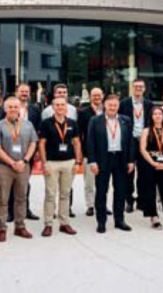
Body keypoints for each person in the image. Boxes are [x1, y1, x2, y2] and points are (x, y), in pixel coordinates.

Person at [0, 97, 38, 241]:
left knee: (21, 197)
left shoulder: (28, 125)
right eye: (10, 107)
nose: (13, 109)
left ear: (20, 109)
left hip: (23, 166)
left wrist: (25, 160)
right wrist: (12, 162)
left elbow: (33, 143)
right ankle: (2, 228)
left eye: (15, 107)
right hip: (5, 166)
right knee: (3, 198)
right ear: (5, 109)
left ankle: (20, 226)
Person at [86, 94, 135, 233]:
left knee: (120, 191)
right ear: (104, 105)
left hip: (121, 158)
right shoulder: (95, 120)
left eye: (115, 105)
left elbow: (131, 142)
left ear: (118, 106)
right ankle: (101, 222)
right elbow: (90, 142)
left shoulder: (126, 120)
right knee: (101, 191)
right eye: (110, 105)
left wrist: (131, 160)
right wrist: (92, 161)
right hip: (103, 159)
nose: (112, 107)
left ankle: (119, 220)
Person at [39, 96, 81, 237]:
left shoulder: (72, 123)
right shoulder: (46, 123)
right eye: (57, 105)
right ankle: (48, 224)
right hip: (51, 162)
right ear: (53, 107)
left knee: (65, 194)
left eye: (62, 104)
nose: (60, 107)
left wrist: (77, 162)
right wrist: (44, 163)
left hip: (69, 162)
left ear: (66, 107)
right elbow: (42, 144)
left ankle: (64, 223)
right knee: (50, 194)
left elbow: (76, 142)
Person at [119, 79, 153, 213]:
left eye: (141, 86)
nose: (138, 88)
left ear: (144, 89)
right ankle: (129, 200)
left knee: (144, 172)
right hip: (130, 141)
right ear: (132, 88)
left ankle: (141, 199)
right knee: (129, 172)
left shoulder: (149, 104)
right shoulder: (124, 103)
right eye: (136, 86)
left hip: (145, 140)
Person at [78, 87, 104, 218]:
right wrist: (80, 152)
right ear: (90, 96)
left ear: (103, 96)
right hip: (89, 152)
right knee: (89, 181)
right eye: (94, 95)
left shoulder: (108, 111)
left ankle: (102, 204)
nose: (97, 98)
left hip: (105, 152)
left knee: (103, 181)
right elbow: (79, 134)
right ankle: (90, 205)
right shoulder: (83, 113)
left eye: (99, 95)